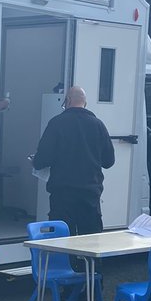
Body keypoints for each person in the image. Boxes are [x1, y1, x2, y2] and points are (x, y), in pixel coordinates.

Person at [31, 85, 115, 235]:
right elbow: (109, 161)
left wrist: (35, 160)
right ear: (85, 103)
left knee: (62, 242)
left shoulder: (56, 123)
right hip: (90, 196)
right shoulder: (98, 125)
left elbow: (41, 160)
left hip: (62, 196)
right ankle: (88, 260)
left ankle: (67, 260)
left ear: (68, 101)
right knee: (90, 244)